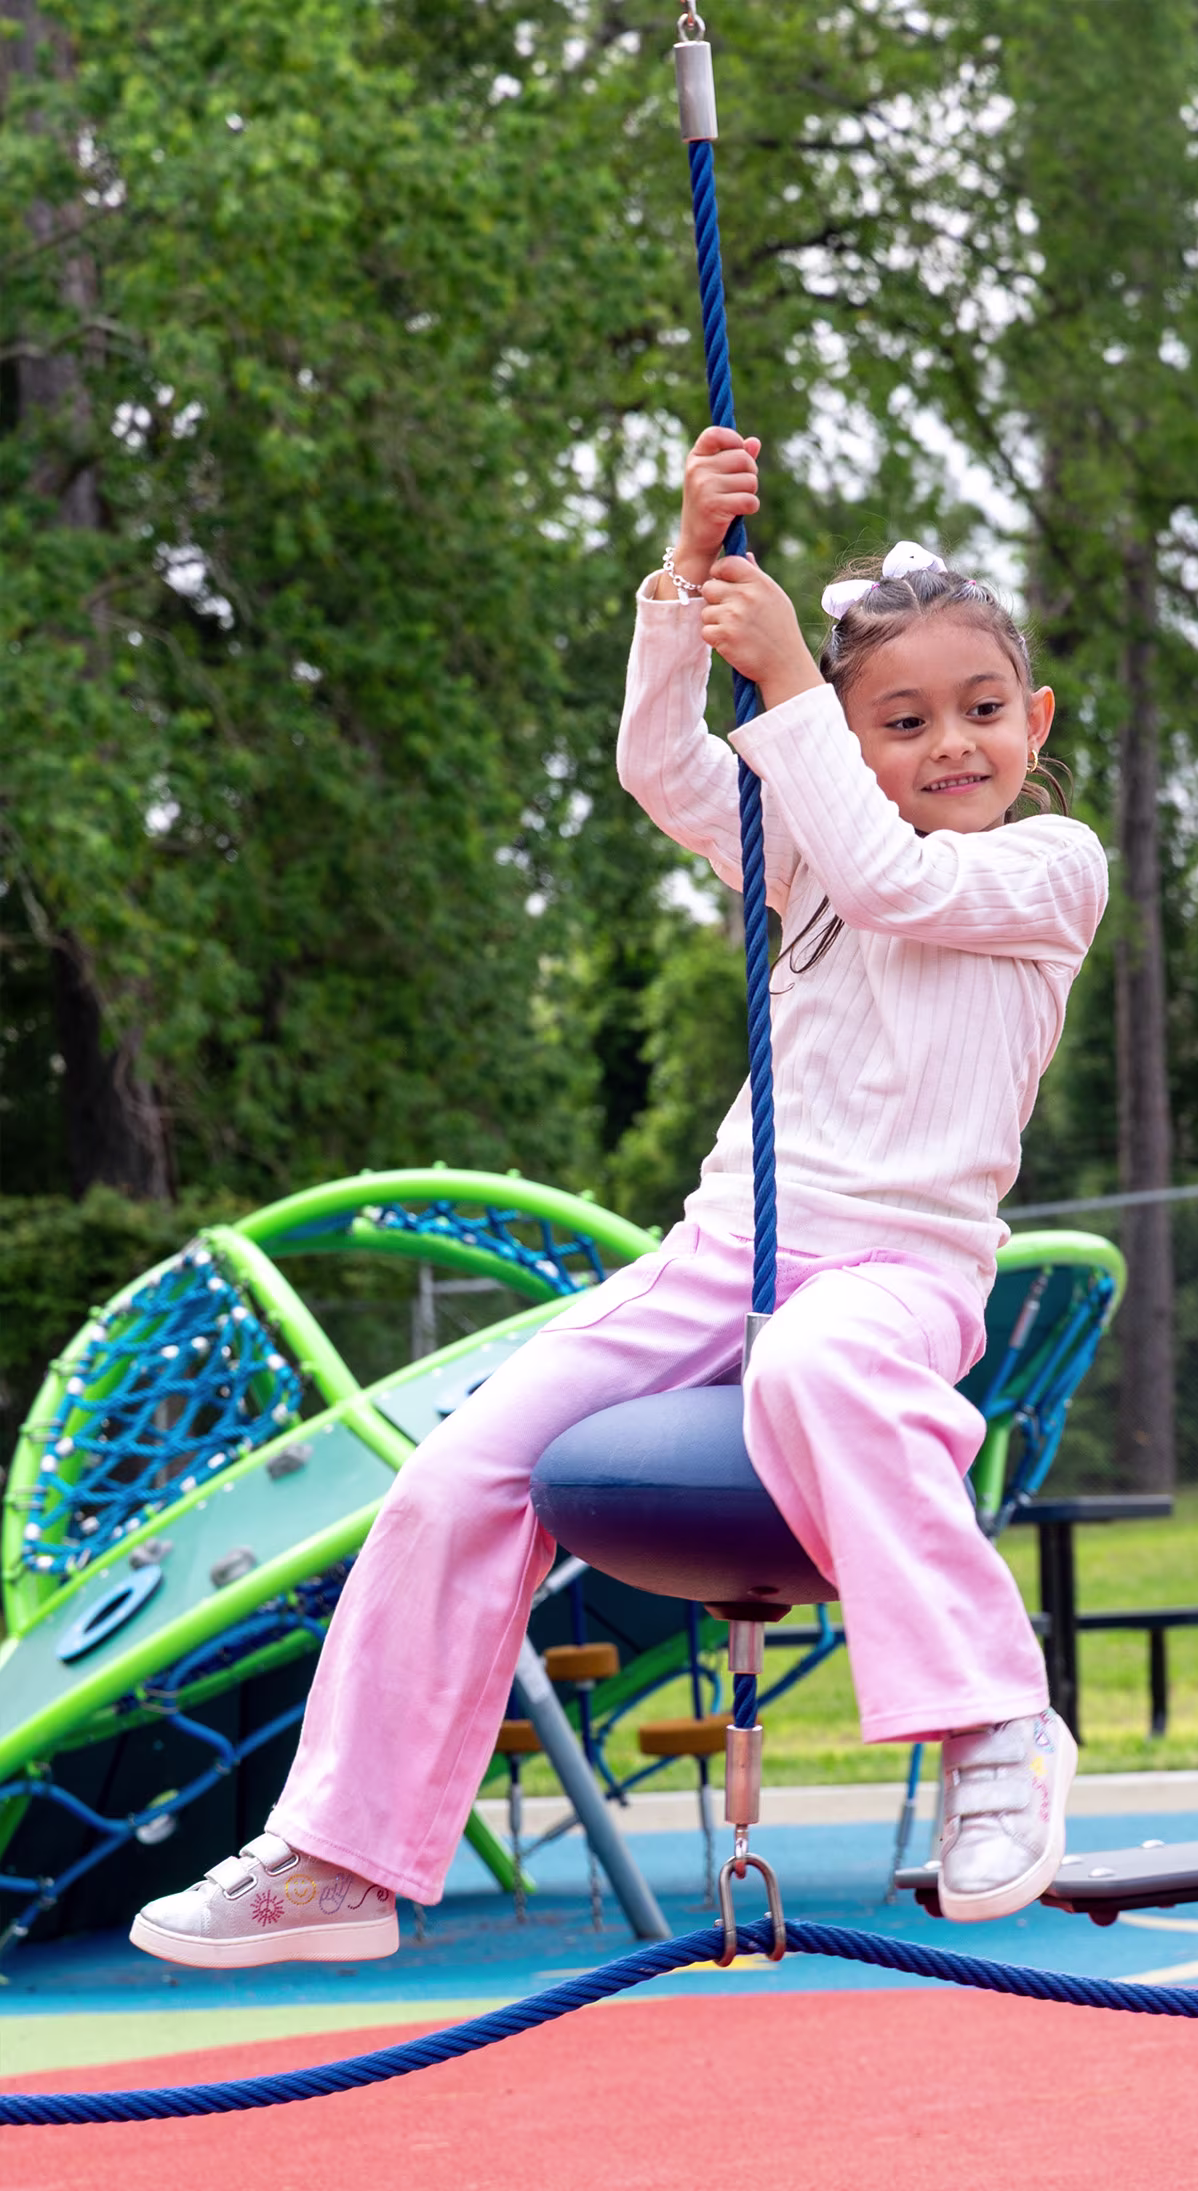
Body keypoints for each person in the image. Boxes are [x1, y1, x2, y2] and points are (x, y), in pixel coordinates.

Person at [129, 426, 1108, 1970]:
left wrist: (795, 687)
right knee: (459, 1476)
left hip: (900, 1269)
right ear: (850, 752)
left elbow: (898, 883)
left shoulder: (1046, 870)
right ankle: (343, 1854)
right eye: (904, 723)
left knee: (820, 1365)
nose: (955, 747)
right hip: (725, 1249)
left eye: (983, 712)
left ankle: (998, 1726)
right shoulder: (806, 845)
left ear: (1034, 716)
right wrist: (684, 575)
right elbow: (664, 769)